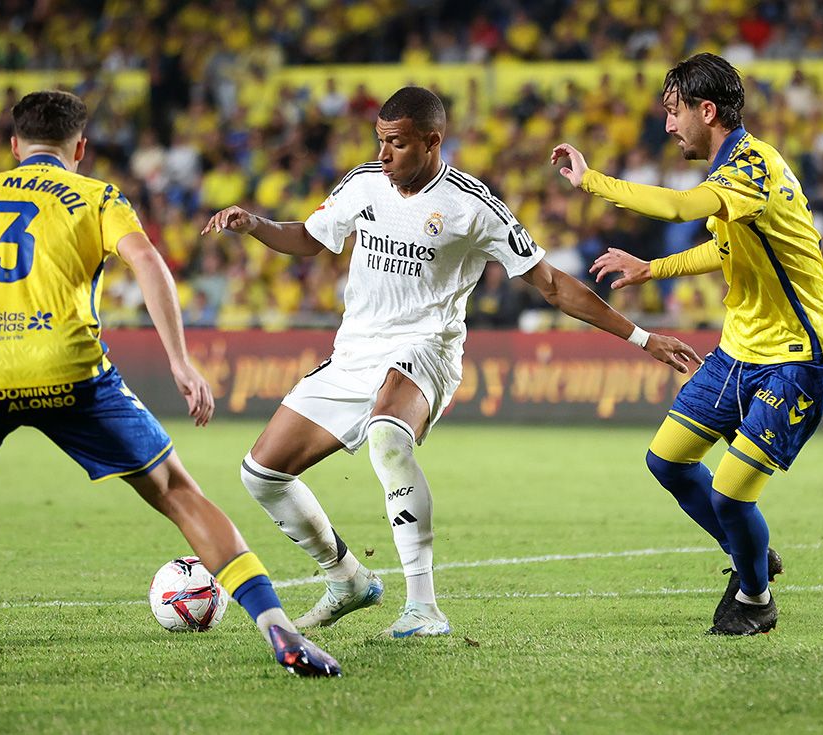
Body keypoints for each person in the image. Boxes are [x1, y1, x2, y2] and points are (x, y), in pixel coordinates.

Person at [0, 91, 341, 681]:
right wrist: (180, 362)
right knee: (177, 491)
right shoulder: (97, 196)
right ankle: (280, 631)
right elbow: (148, 263)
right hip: (70, 368)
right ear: (80, 148)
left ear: (14, 146)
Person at [201, 86, 700, 638]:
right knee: (261, 475)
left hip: (427, 349)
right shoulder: (363, 183)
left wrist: (642, 338)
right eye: (380, 141)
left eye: (396, 143)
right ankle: (347, 579)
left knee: (387, 436)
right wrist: (255, 225)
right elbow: (310, 238)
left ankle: (423, 607)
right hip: (355, 353)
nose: (384, 154)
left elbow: (552, 285)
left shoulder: (472, 205)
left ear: (431, 141)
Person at [553, 53, 823, 635]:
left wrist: (591, 181)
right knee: (666, 460)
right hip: (740, 349)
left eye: (674, 111)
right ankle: (750, 554)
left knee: (732, 494)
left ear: (706, 111)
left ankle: (755, 600)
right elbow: (724, 248)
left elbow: (679, 206)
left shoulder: (752, 166)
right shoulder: (734, 171)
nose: (668, 125)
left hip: (798, 356)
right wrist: (652, 268)